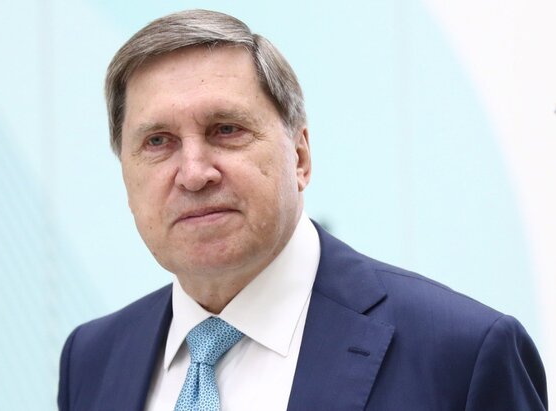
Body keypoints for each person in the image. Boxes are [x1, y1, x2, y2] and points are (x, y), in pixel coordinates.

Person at [58, 9, 548, 411]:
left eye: (226, 129)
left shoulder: (463, 355)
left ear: (300, 156)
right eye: (158, 141)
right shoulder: (91, 360)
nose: (194, 173)